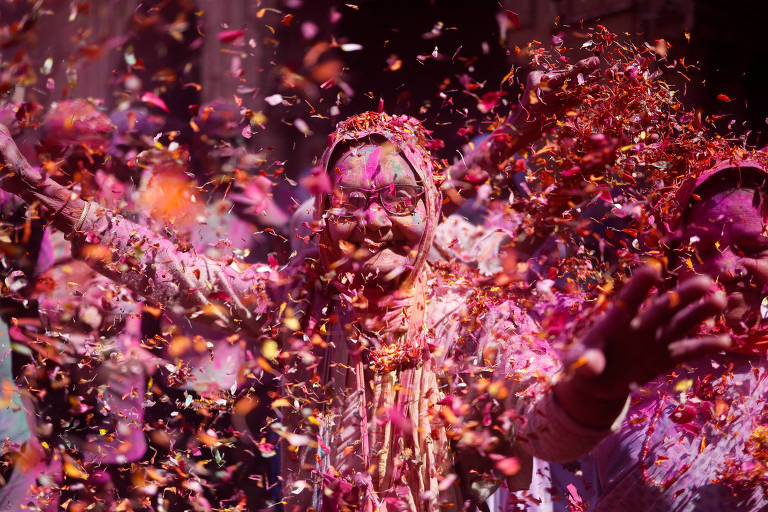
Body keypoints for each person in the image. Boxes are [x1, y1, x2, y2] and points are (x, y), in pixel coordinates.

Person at [535, 158, 768, 512]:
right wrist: (588, 403)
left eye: (753, 248)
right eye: (703, 251)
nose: (726, 267)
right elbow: (540, 443)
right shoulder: (631, 362)